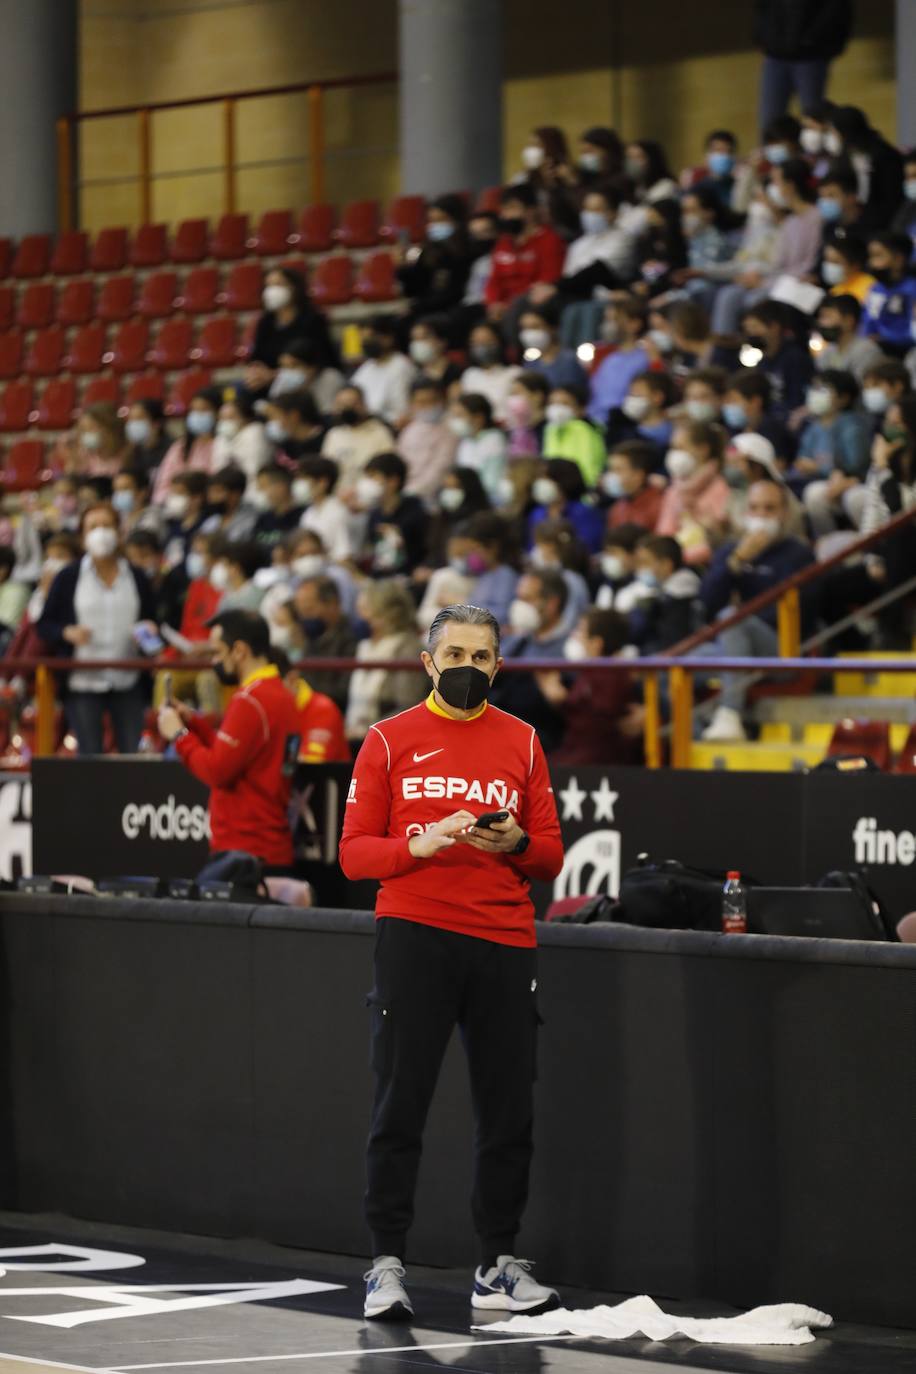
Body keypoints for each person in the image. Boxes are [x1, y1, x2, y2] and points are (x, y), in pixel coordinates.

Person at [339, 603, 563, 1323]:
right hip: (415, 933)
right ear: (428, 663)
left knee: (508, 1111)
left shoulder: (524, 740)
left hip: (504, 939)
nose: (469, 667)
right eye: (456, 655)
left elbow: (551, 853)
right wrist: (420, 844)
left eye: (482, 656)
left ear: (499, 665)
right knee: (399, 1102)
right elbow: (352, 855)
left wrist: (515, 844)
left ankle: (497, 1263)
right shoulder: (386, 739)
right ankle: (386, 1264)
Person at [158, 609, 302, 879]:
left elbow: (217, 770)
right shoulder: (281, 694)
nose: (214, 661)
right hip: (270, 848)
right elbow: (240, 757)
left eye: (218, 652)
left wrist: (178, 735)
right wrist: (195, 724)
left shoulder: (249, 700)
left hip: (244, 854)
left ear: (239, 650)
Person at [699, 480, 816, 741]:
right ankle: (697, 730)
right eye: (754, 508)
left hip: (782, 651)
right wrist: (736, 563)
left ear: (784, 513)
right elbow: (706, 604)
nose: (761, 516)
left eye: (769, 508)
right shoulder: (732, 550)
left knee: (732, 620)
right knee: (670, 665)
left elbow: (802, 613)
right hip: (732, 647)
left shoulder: (799, 554)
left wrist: (743, 621)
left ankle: (730, 713)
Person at [37, 503, 157, 755]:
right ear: (82, 536)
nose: (100, 532)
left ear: (119, 532)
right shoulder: (68, 577)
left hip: (128, 679)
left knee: (130, 754)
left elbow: (153, 619)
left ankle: (129, 797)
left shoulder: (137, 577)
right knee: (89, 756)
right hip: (83, 681)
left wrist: (149, 630)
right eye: (93, 527)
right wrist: (66, 633)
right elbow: (45, 625)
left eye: (107, 526)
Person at [537, 607, 643, 765]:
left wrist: (561, 699)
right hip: (576, 751)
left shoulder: (612, 675)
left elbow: (598, 723)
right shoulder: (591, 672)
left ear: (596, 644)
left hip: (598, 761)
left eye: (580, 631)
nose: (574, 636)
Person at [344, 580, 425, 741]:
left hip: (386, 739)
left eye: (367, 611)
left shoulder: (408, 647)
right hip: (355, 735)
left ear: (387, 614)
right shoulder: (364, 646)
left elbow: (408, 704)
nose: (362, 618)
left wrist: (371, 730)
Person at [754, 0, 852, 132]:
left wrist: (812, 40)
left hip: (811, 57)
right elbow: (763, 8)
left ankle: (816, 151)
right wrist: (763, 38)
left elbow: (837, 9)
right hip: (775, 54)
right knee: (769, 120)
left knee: (813, 118)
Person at [796, 370, 871, 535]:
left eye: (823, 389)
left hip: (853, 482)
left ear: (843, 398)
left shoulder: (852, 425)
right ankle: (828, 543)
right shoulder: (812, 427)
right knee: (813, 493)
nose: (815, 393)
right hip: (825, 484)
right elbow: (801, 461)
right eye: (814, 388)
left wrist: (820, 469)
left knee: (827, 495)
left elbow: (857, 465)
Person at [246, 265, 337, 396]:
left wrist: (275, 376)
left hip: (307, 378)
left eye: (278, 284)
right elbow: (256, 357)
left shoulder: (313, 319)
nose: (272, 290)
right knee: (243, 389)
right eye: (269, 285)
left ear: (294, 288)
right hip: (271, 381)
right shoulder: (265, 322)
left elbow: (321, 359)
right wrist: (256, 373)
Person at [485, 183, 565, 325]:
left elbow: (548, 279)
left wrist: (508, 305)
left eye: (512, 208)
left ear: (531, 210)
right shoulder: (503, 242)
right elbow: (494, 280)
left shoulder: (550, 240)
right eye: (504, 209)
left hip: (529, 304)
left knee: (517, 312)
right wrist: (494, 303)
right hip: (501, 307)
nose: (506, 215)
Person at [655, 421, 732, 565]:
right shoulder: (674, 490)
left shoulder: (722, 487)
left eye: (680, 448)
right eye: (673, 448)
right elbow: (664, 533)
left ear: (703, 450)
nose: (674, 454)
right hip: (674, 563)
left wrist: (678, 560)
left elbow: (716, 541)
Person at [397, 195, 473, 325]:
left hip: (456, 309)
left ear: (457, 220)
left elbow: (453, 292)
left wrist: (417, 308)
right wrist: (404, 268)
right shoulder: (429, 250)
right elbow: (413, 290)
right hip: (429, 307)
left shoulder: (467, 250)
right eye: (432, 221)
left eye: (441, 220)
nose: (435, 226)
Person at [292, 574, 358, 712]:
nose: (305, 617)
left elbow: (342, 692)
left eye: (309, 609)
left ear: (333, 604)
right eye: (301, 612)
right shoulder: (311, 638)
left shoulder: (352, 638)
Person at [627, 534, 703, 653]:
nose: (640, 568)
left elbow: (673, 640)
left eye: (646, 562)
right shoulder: (659, 592)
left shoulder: (680, 595)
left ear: (666, 564)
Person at [359, 452, 429, 576]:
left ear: (393, 481)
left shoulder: (416, 511)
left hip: (408, 576)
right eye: (367, 477)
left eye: (373, 477)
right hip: (380, 575)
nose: (368, 484)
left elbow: (423, 550)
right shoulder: (374, 514)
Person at [587, 298, 650, 425]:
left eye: (614, 319)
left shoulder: (645, 359)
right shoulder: (609, 359)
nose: (608, 325)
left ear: (634, 324)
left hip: (624, 425)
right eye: (607, 320)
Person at [321, 385, 393, 495]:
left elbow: (386, 471)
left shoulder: (380, 433)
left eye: (353, 403)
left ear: (364, 405)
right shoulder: (333, 435)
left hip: (369, 497)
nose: (347, 408)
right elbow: (326, 472)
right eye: (342, 405)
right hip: (337, 497)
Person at [153, 388, 221, 503]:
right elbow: (163, 483)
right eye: (194, 410)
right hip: (174, 504)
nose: (197, 415)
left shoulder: (221, 445)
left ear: (217, 413)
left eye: (204, 410)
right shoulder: (181, 446)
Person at [397, 378, 460, 500]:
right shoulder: (408, 430)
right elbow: (399, 464)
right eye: (421, 402)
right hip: (404, 491)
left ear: (442, 400)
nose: (427, 406)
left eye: (432, 401)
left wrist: (409, 495)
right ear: (412, 404)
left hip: (431, 497)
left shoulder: (451, 430)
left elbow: (440, 470)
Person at [351, 317, 417, 428]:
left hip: (391, 426)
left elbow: (401, 410)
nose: (366, 343)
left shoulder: (401, 366)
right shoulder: (366, 367)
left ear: (388, 338)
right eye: (363, 338)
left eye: (371, 337)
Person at [861, 233, 916, 358]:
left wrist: (884, 338)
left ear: (898, 259)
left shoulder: (912, 289)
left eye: (878, 256)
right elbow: (867, 321)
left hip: (904, 354)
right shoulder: (876, 288)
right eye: (871, 256)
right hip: (873, 350)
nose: (871, 262)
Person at [541, 383, 606, 487]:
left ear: (580, 409)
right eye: (552, 403)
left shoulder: (583, 430)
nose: (557, 408)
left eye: (565, 404)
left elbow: (588, 471)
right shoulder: (551, 429)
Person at [449, 393, 508, 504]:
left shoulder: (494, 439)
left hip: (489, 501)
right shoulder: (465, 442)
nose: (455, 421)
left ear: (478, 418)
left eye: (460, 415)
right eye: (454, 416)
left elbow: (491, 483)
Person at [459, 322, 522, 425]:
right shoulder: (469, 375)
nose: (482, 346)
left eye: (487, 341)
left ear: (499, 342)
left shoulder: (515, 373)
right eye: (477, 342)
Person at [814, 294, 884, 382]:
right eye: (821, 318)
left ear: (848, 320)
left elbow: (861, 387)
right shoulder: (828, 350)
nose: (822, 323)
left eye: (828, 317)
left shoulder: (867, 350)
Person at [297, 455, 354, 563]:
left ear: (322, 482)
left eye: (303, 479)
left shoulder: (339, 512)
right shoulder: (308, 514)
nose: (298, 485)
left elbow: (344, 556)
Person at [212, 389, 272, 488]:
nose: (225, 422)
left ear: (246, 418)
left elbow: (254, 469)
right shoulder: (221, 438)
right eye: (222, 418)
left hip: (253, 489)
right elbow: (218, 469)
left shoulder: (255, 432)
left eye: (231, 417)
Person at [604, 440, 666, 530]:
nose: (611, 475)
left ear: (638, 475)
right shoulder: (616, 509)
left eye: (618, 470)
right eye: (610, 470)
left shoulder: (660, 506)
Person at [264, 389, 326, 463]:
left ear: (294, 416)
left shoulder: (326, 441)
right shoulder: (285, 446)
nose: (271, 422)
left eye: (275, 416)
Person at [252, 464, 304, 551]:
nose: (259, 491)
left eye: (263, 486)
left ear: (281, 486)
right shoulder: (263, 519)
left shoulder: (303, 516)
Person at [819, 234, 877, 305]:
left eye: (835, 262)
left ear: (855, 265)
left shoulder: (870, 288)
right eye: (827, 259)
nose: (829, 265)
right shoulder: (836, 289)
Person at [125, 398, 171, 480]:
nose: (133, 424)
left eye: (139, 418)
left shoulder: (172, 449)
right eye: (131, 419)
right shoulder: (133, 451)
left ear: (157, 423)